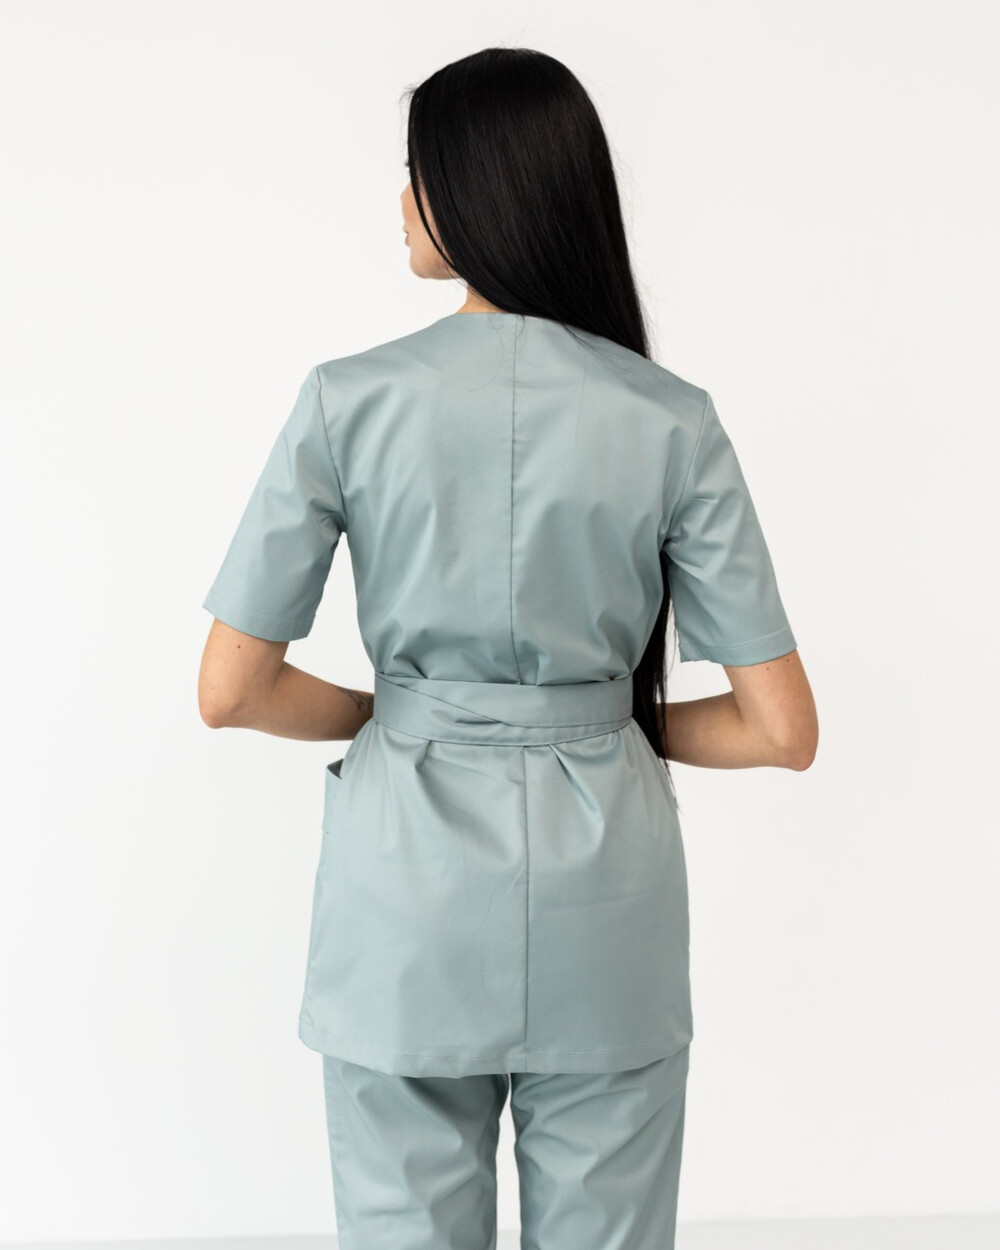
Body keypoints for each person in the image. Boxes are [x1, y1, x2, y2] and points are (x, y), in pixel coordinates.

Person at [197, 44, 818, 1250]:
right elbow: (780, 728)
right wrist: (599, 721)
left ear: (472, 188)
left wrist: (400, 716)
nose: (402, 200)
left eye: (417, 171)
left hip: (403, 893)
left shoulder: (345, 400)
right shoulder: (669, 416)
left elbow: (231, 689)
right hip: (609, 898)